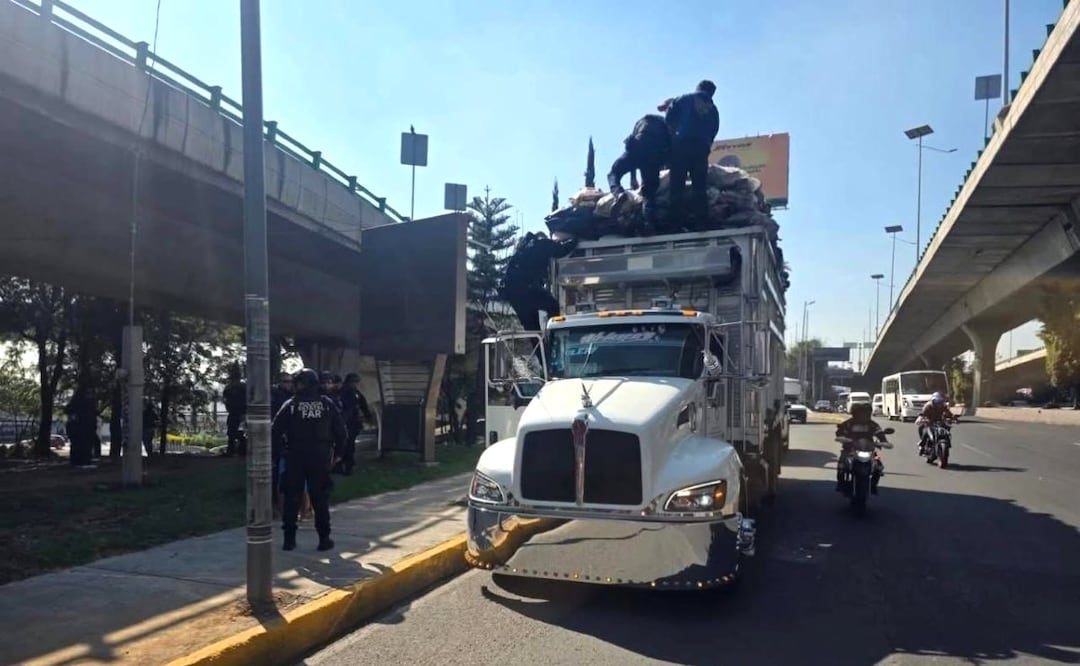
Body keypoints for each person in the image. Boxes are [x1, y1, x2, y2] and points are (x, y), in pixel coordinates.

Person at [272, 368, 347, 551]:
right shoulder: (327, 404)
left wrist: (280, 452)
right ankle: (324, 539)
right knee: (320, 499)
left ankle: (289, 540)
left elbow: (275, 431)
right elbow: (341, 432)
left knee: (292, 498)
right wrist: (338, 453)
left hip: (295, 456)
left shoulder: (291, 405)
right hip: (320, 456)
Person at [658, 80, 720, 229]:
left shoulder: (683, 99)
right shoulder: (713, 109)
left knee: (677, 185)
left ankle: (675, 223)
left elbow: (669, 119)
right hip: (700, 150)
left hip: (680, 147)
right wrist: (706, 144)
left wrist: (674, 137)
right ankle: (701, 222)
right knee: (699, 186)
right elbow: (714, 130)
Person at [499, 232, 578, 332]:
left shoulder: (522, 246)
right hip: (527, 289)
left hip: (512, 293)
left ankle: (539, 345)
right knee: (552, 306)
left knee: (532, 328)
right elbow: (561, 251)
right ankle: (554, 335)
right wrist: (575, 240)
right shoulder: (543, 244)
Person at [607, 114, 672, 232]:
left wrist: (633, 177)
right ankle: (649, 223)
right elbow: (669, 150)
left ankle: (618, 193)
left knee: (614, 173)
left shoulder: (642, 121)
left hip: (636, 146)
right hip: (652, 154)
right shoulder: (666, 125)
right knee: (648, 193)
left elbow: (632, 146)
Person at [834, 402, 887, 495]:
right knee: (841, 465)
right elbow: (840, 432)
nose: (864, 416)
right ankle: (840, 483)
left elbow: (879, 433)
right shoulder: (848, 423)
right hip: (850, 449)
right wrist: (843, 438)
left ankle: (873, 485)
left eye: (866, 413)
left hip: (868, 449)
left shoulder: (872, 424)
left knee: (879, 467)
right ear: (855, 413)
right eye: (862, 413)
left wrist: (884, 441)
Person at [337, 373, 374, 475]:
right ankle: (344, 465)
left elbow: (363, 405)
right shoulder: (343, 392)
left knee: (350, 444)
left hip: (352, 422)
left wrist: (368, 417)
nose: (355, 384)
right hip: (345, 422)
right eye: (353, 382)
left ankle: (348, 465)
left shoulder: (355, 393)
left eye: (356, 382)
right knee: (345, 445)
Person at [270, 372, 295, 510]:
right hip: (277, 437)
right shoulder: (275, 396)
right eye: (286, 381)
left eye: (290, 381)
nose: (289, 384)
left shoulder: (292, 397)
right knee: (277, 471)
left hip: (289, 439)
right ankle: (277, 501)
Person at [916, 392, 954, 457]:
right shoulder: (928, 406)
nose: (938, 403)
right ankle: (922, 445)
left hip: (939, 421)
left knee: (947, 428)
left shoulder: (943, 406)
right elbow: (922, 414)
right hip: (929, 422)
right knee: (924, 430)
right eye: (937, 401)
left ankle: (947, 442)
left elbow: (949, 414)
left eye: (940, 401)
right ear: (933, 400)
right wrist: (920, 419)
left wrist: (953, 418)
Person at [222, 365, 247, 457]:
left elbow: (247, 400)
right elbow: (225, 400)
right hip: (233, 413)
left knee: (241, 433)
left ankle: (242, 451)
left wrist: (245, 413)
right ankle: (231, 450)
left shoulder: (243, 388)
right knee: (231, 433)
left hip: (242, 414)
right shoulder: (228, 388)